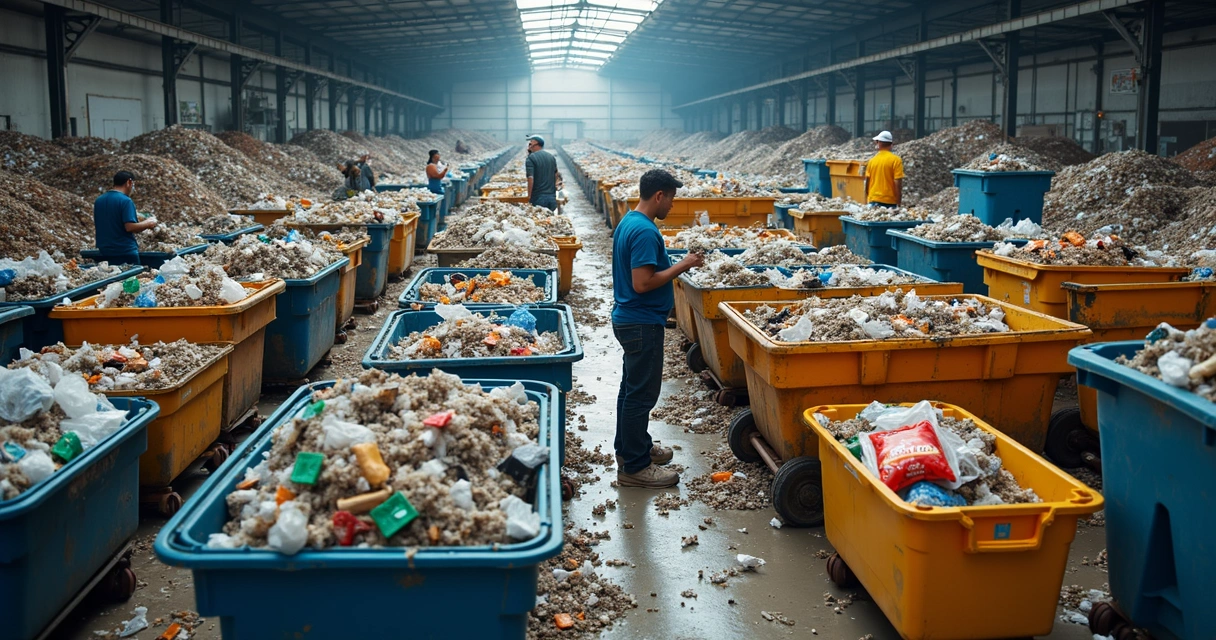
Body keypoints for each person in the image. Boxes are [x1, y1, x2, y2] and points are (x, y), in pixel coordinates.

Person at [611, 169, 705, 488]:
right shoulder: (645, 232)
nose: (673, 206)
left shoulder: (630, 221)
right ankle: (635, 469)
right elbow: (642, 283)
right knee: (641, 395)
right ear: (659, 196)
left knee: (631, 391)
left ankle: (630, 449)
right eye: (672, 199)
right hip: (641, 322)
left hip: (630, 319)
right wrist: (684, 265)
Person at [93, 170, 156, 266]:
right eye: (133, 184)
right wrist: (148, 223)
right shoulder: (126, 201)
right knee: (130, 279)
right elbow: (130, 227)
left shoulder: (99, 201)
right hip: (124, 251)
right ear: (129, 182)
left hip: (104, 251)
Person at [864, 130, 904, 208]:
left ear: (878, 143)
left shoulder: (872, 161)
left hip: (873, 200)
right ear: (891, 144)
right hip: (890, 202)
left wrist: (869, 199)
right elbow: (897, 183)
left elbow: (867, 184)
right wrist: (898, 203)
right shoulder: (896, 160)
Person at [525, 135, 562, 211]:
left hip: (538, 198)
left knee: (539, 220)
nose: (529, 145)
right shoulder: (551, 157)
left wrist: (529, 197)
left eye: (530, 143)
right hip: (552, 198)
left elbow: (530, 178)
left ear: (536, 143)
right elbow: (556, 175)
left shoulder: (531, 158)